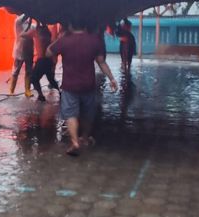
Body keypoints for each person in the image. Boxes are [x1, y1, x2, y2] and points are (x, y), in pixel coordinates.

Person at [47, 18, 118, 156]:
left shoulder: (64, 41)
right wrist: (112, 79)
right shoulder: (94, 40)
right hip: (88, 84)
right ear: (85, 27)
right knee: (88, 113)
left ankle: (75, 142)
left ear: (71, 26)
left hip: (70, 85)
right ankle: (85, 138)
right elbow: (101, 62)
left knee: (70, 114)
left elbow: (48, 52)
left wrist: (59, 38)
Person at [29, 22, 60, 101]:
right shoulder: (47, 33)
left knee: (33, 78)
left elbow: (23, 35)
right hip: (48, 60)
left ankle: (41, 95)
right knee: (51, 79)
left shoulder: (36, 32)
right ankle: (60, 92)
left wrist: (29, 25)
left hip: (41, 60)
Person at [9, 14, 34, 97]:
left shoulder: (32, 25)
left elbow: (36, 29)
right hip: (19, 50)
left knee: (29, 71)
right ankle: (11, 90)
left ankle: (27, 90)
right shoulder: (18, 22)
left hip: (29, 51)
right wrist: (30, 11)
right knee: (16, 71)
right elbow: (24, 16)